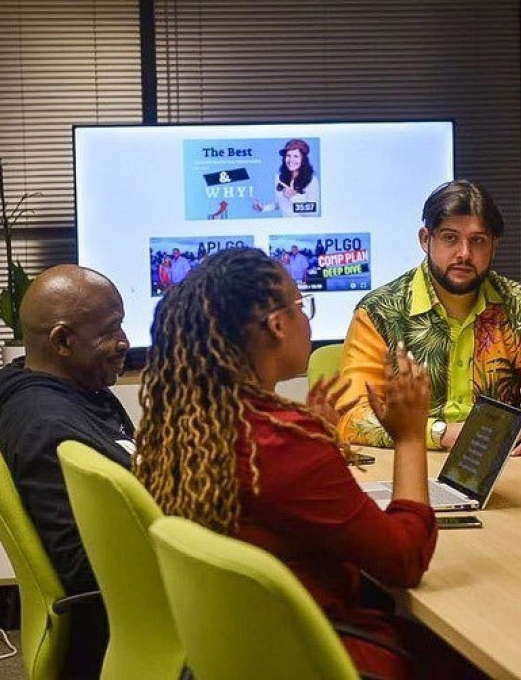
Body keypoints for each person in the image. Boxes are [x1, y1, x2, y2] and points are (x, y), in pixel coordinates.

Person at [134, 248, 470, 680]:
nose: (306, 319)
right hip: (321, 655)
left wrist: (315, 442)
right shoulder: (281, 445)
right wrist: (409, 436)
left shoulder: (190, 424)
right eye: (301, 305)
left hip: (244, 651)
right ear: (277, 325)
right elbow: (404, 559)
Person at [337, 179, 521, 454]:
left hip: (494, 468)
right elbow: (351, 416)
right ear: (425, 239)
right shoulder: (379, 311)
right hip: (408, 463)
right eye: (450, 238)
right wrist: (439, 433)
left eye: (477, 241)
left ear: (494, 245)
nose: (464, 253)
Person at [0, 264, 133, 679]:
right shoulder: (48, 429)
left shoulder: (73, 391)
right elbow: (81, 568)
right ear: (63, 341)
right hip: (121, 627)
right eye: (111, 330)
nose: (124, 341)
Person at [252, 138, 321, 216]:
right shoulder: (279, 178)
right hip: (284, 223)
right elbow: (279, 204)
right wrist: (263, 208)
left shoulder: (312, 180)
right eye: (288, 155)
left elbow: (314, 212)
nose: (291, 160)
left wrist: (293, 197)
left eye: (296, 156)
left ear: (303, 160)